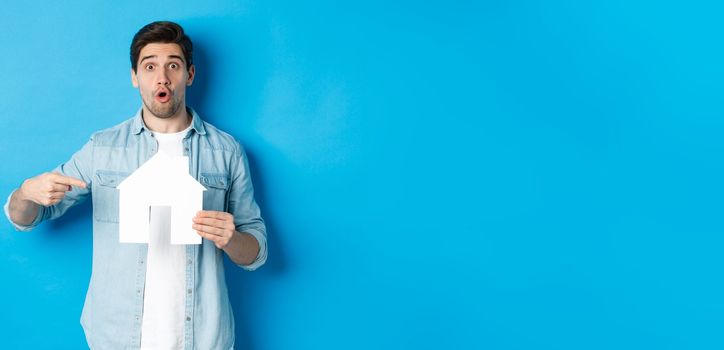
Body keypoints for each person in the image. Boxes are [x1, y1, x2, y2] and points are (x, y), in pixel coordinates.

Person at [4, 21, 267, 349]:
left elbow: (255, 252)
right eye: (150, 66)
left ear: (190, 74)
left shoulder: (226, 151)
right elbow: (24, 217)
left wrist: (231, 239)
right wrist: (26, 193)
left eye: (173, 65)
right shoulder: (102, 149)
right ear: (134, 76)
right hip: (116, 337)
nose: (162, 76)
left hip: (202, 338)